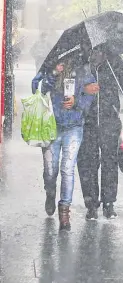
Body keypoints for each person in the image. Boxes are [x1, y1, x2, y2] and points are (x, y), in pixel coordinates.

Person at [32, 56, 98, 230]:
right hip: (51, 126)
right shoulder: (50, 65)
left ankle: (64, 211)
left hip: (74, 127)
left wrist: (78, 102)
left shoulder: (83, 69)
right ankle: (50, 192)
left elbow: (92, 92)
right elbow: (36, 87)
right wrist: (54, 72)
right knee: (50, 171)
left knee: (67, 169)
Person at [78, 45, 123, 220]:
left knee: (110, 161)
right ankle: (91, 204)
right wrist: (84, 90)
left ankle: (109, 203)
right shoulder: (81, 61)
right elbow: (71, 86)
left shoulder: (113, 60)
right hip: (86, 120)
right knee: (88, 163)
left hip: (109, 118)